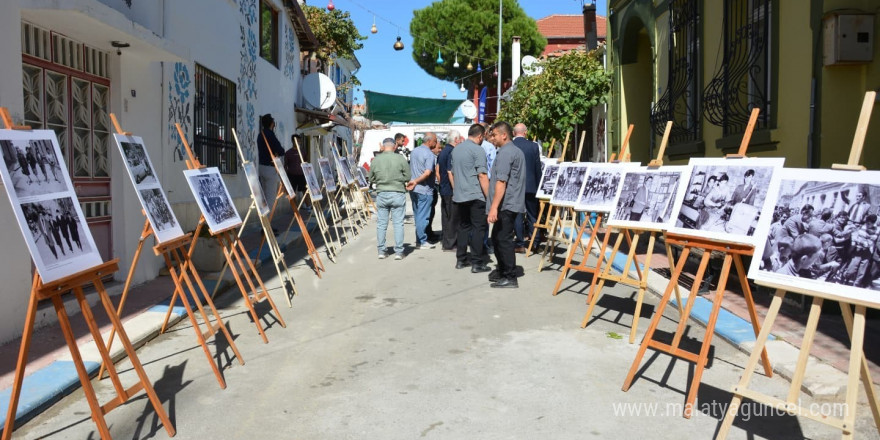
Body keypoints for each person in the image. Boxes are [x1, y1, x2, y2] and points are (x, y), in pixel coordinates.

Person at [486, 121, 526, 288]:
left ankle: (510, 276)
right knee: (498, 238)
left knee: (504, 240)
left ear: (504, 135)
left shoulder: (506, 153)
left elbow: (501, 183)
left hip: (506, 204)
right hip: (510, 203)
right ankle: (503, 270)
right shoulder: (512, 151)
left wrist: (494, 207)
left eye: (494, 135)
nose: (492, 138)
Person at [451, 124, 490, 271]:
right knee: (479, 229)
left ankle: (461, 260)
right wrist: (489, 197)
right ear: (480, 136)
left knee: (463, 227)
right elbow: (482, 175)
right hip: (475, 195)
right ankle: (477, 263)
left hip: (460, 196)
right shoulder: (478, 150)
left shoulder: (456, 149)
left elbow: (452, 173)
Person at [369, 138, 411, 260]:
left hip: (382, 193)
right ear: (394, 146)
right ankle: (399, 252)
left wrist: (380, 180)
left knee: (381, 224)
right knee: (398, 223)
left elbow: (371, 178)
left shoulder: (376, 160)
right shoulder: (400, 159)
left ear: (383, 146)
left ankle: (381, 251)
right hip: (397, 192)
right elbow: (408, 176)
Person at [512, 123, 542, 253]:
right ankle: (535, 242)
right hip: (531, 185)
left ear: (514, 133)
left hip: (516, 186)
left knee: (518, 215)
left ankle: (520, 243)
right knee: (532, 214)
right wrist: (539, 185)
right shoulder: (534, 146)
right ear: (525, 133)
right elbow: (537, 168)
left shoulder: (510, 146)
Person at [407, 132, 437, 249]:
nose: (436, 143)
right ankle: (422, 241)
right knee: (423, 216)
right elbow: (427, 173)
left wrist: (414, 181)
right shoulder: (429, 154)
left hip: (414, 189)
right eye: (435, 140)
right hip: (424, 189)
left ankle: (419, 239)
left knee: (418, 215)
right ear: (429, 141)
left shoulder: (414, 151)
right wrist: (417, 181)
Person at [438, 130, 462, 251]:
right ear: (456, 139)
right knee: (453, 217)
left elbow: (438, 170)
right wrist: (455, 188)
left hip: (444, 187)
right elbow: (450, 171)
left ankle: (446, 241)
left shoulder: (443, 151)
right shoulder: (452, 151)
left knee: (446, 217)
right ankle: (451, 244)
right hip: (450, 189)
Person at [256, 114, 285, 211]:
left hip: (261, 167)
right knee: (270, 198)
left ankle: (264, 222)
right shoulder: (271, 134)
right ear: (272, 123)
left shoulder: (260, 135)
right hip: (270, 167)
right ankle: (268, 223)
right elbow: (280, 151)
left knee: (264, 196)